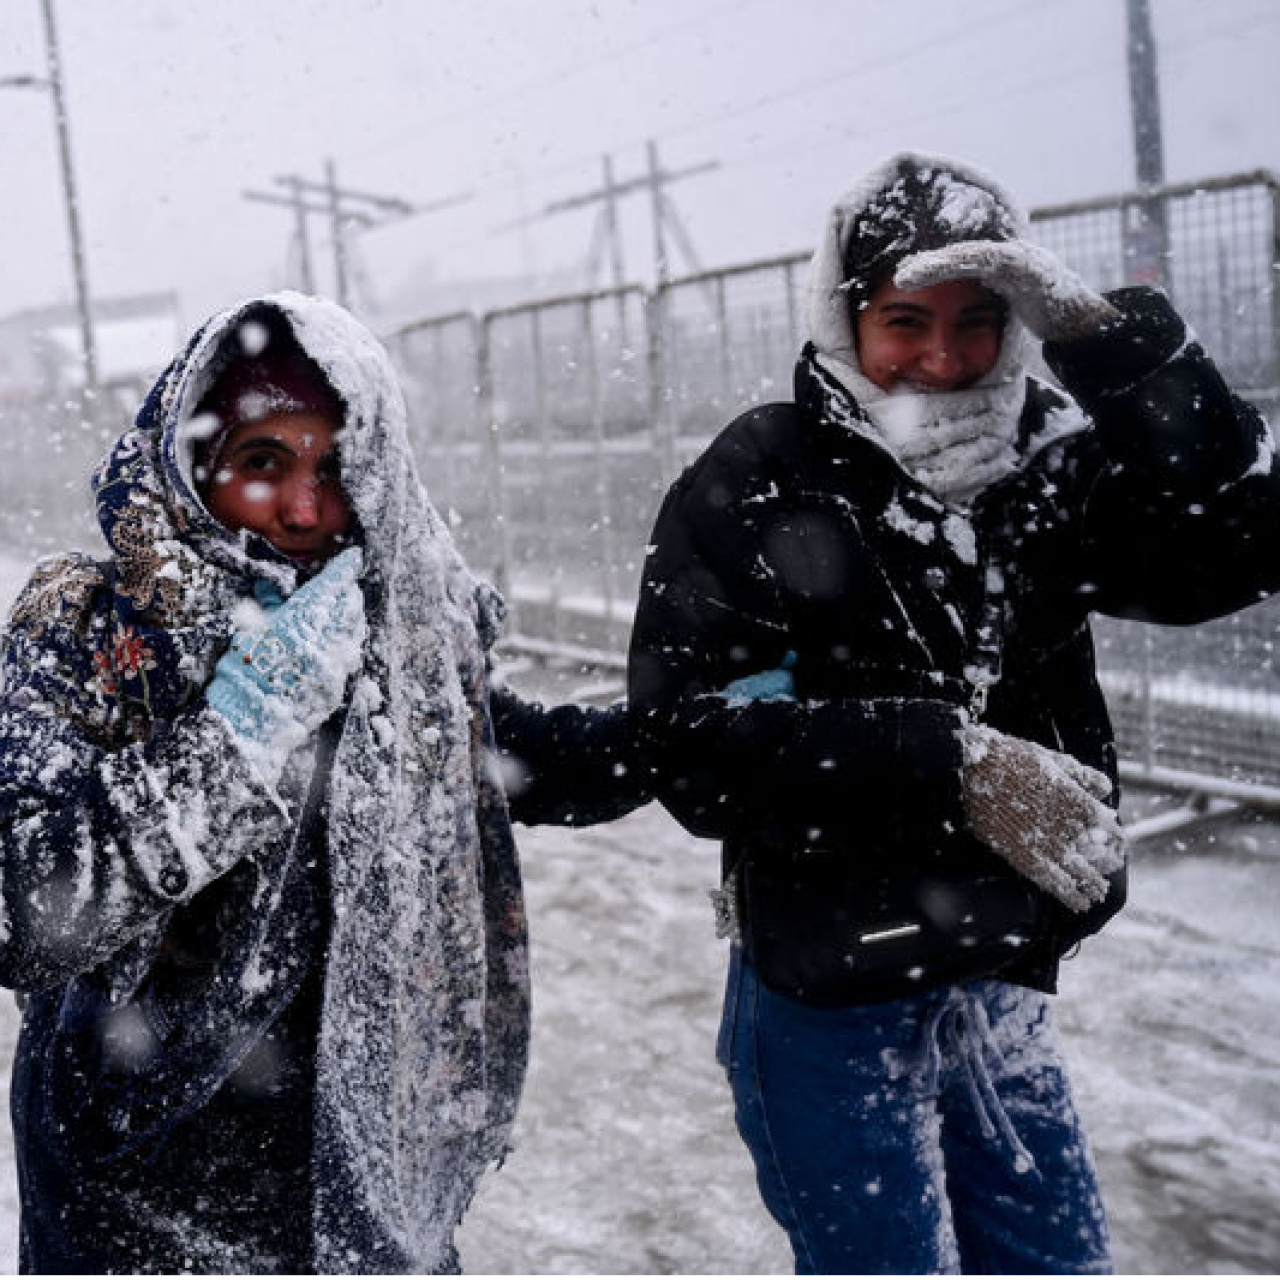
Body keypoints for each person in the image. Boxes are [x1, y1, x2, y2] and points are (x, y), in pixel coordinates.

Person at [627, 151, 1280, 1274]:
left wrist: (1110, 344)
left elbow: (1232, 540)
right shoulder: (762, 472)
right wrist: (948, 762)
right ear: (843, 315)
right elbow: (687, 743)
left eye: (979, 319)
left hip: (998, 973)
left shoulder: (1040, 466)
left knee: (1058, 1263)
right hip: (826, 993)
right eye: (902, 319)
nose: (940, 358)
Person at [0, 291, 647, 1274]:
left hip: (362, 1176)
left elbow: (515, 752)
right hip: (133, 1190)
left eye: (338, 468)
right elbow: (27, 910)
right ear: (195, 457)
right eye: (264, 462)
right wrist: (236, 739)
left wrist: (711, 723)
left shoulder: (392, 633)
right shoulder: (84, 628)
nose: (307, 510)